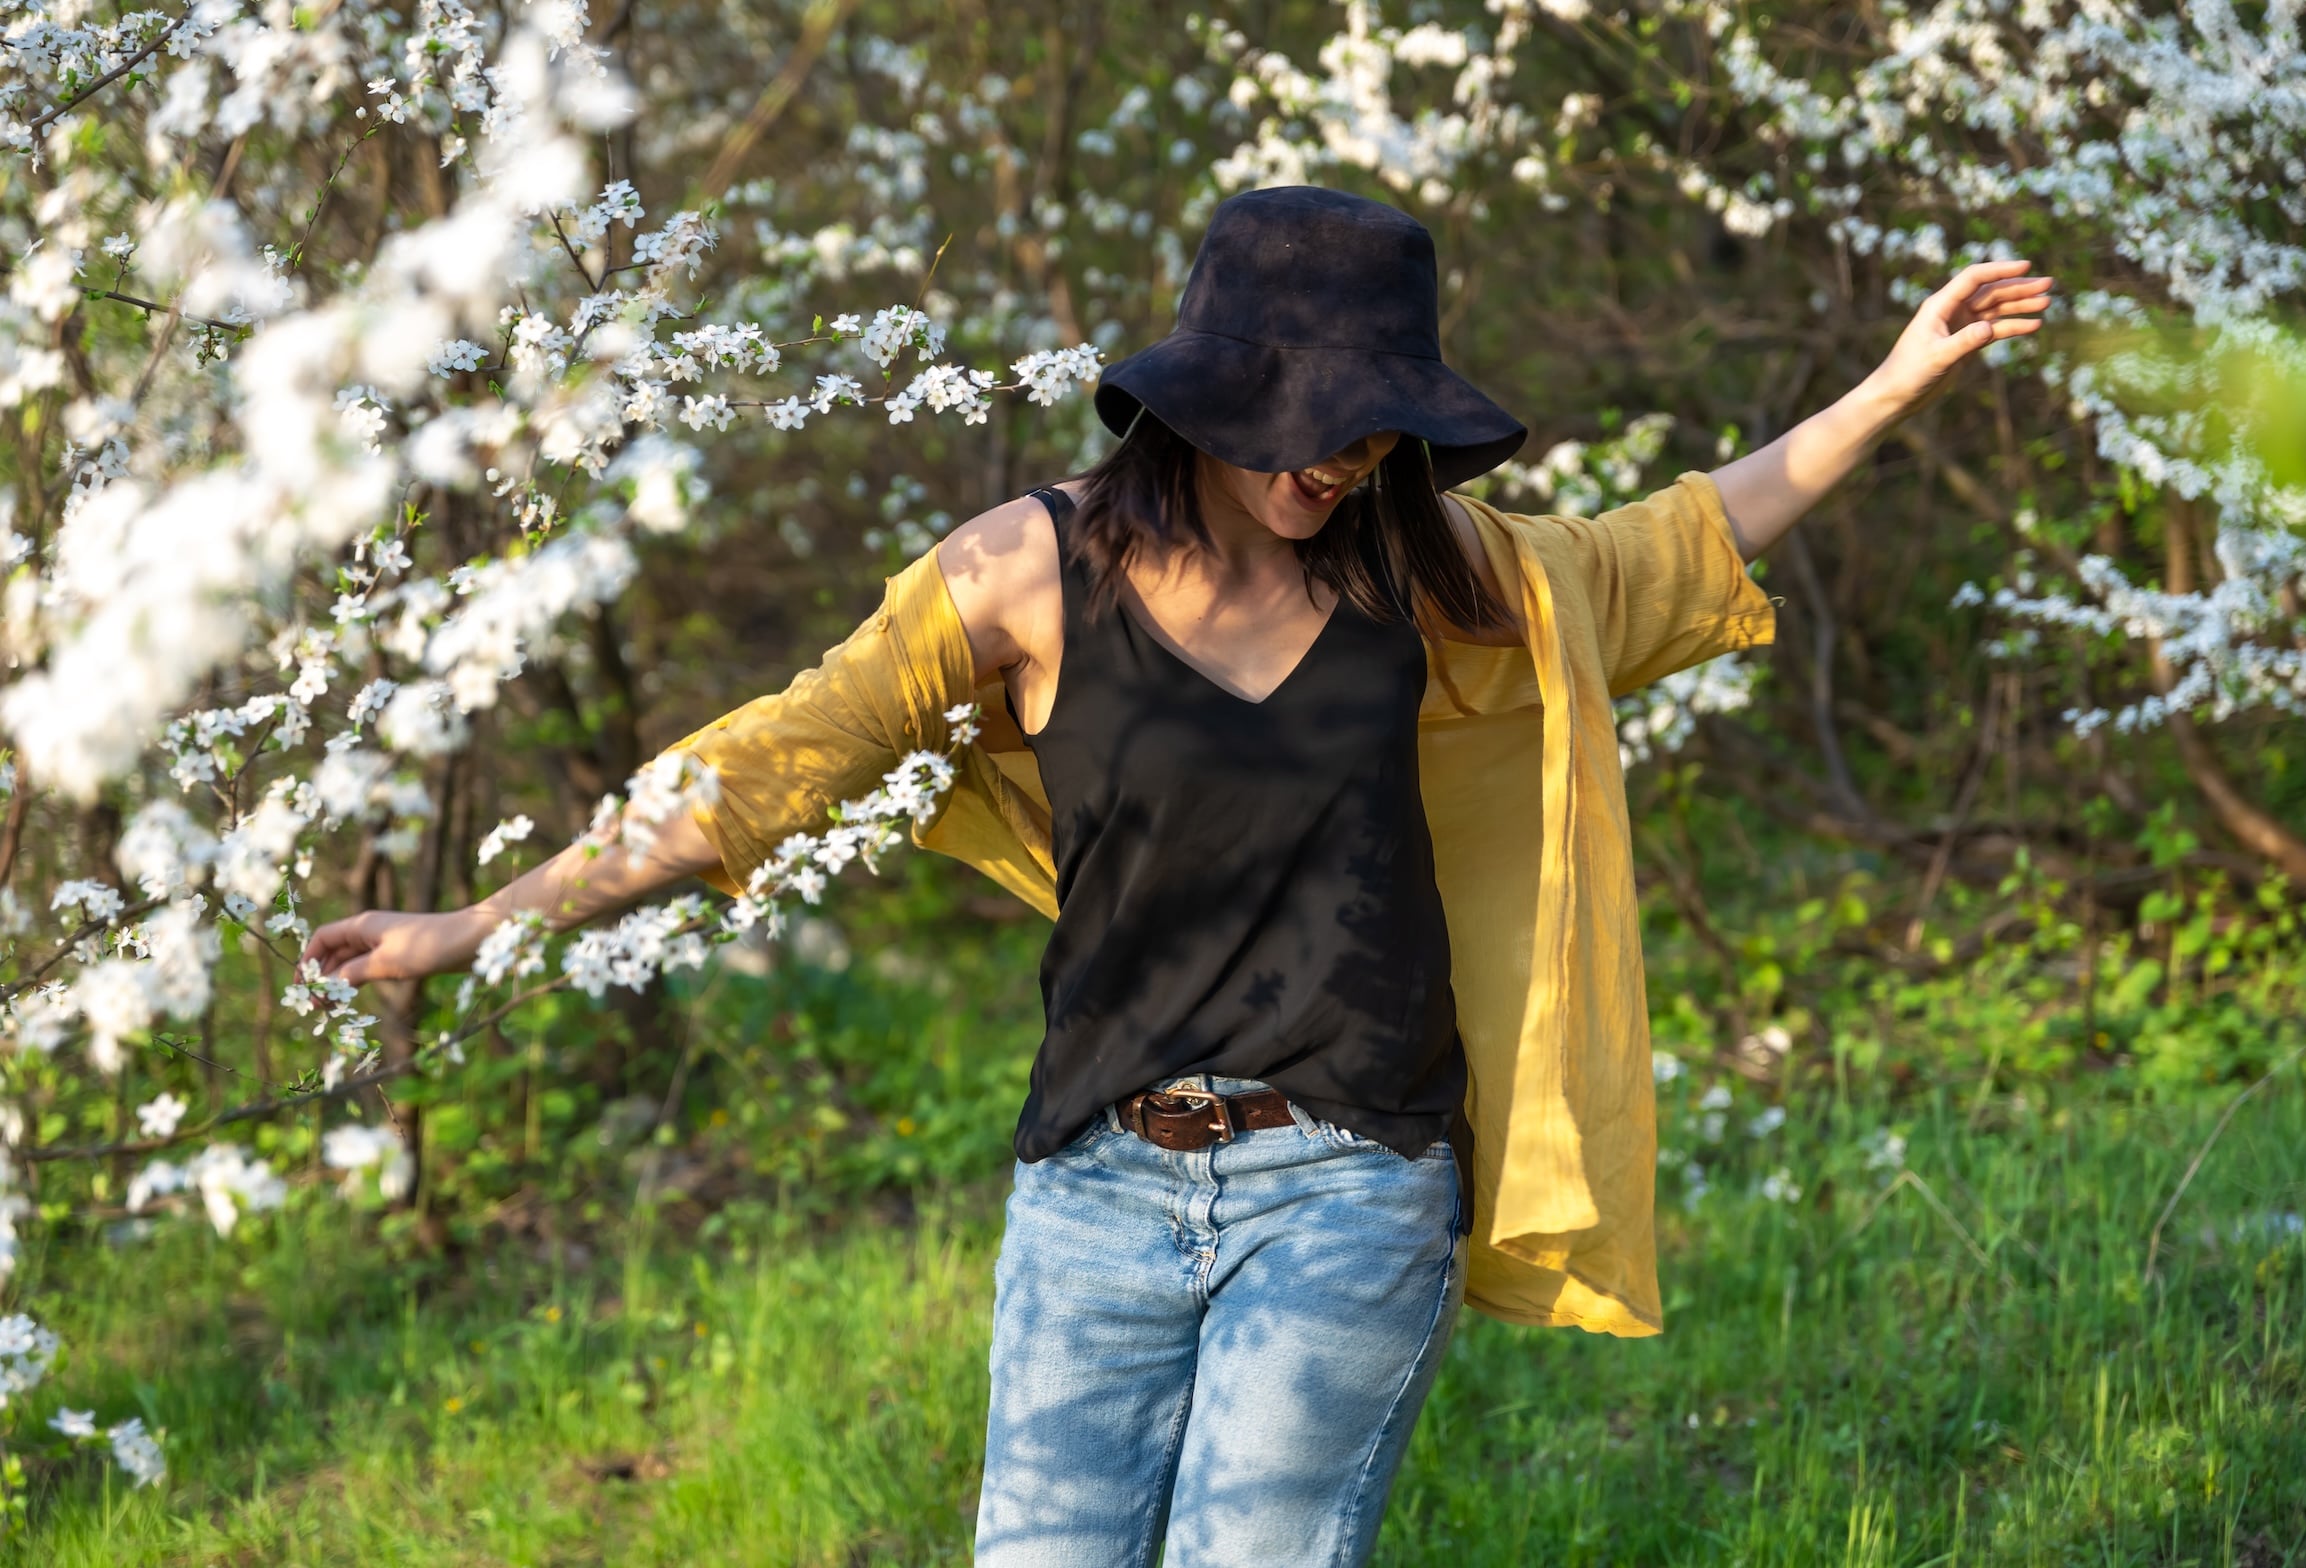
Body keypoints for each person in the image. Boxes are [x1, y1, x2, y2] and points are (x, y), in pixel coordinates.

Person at [304, 185, 2050, 1565]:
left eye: (1372, 427)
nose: (1338, 460)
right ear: (1207, 396)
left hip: (1350, 1185)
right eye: (1306, 421)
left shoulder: (1440, 575)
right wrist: (476, 924)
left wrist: (1894, 382)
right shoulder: (1027, 571)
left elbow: (1673, 546)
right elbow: (764, 768)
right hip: (1097, 1186)